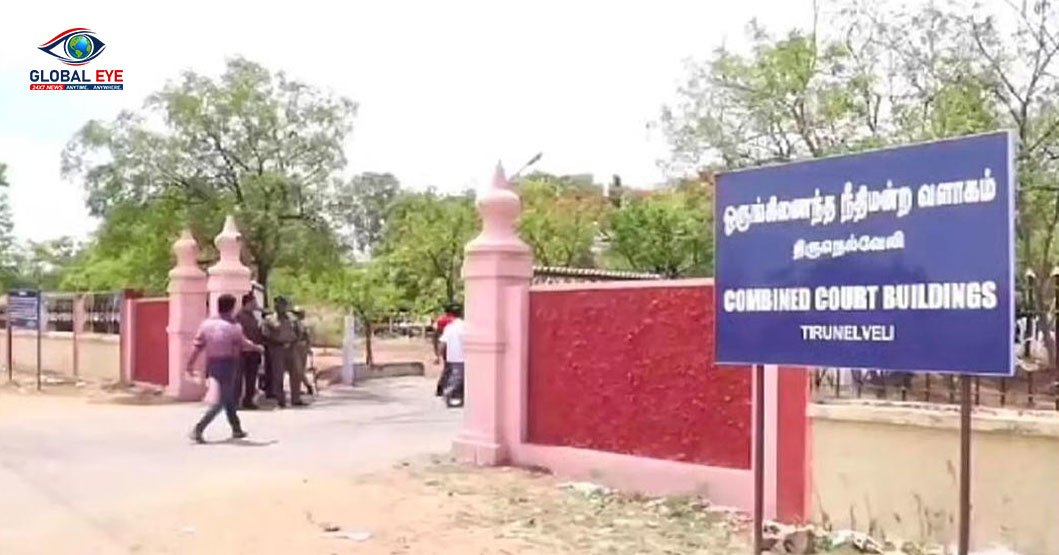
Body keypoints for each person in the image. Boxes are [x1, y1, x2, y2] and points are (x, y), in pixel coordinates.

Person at [186, 294, 264, 443]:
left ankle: (236, 428)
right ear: (232, 307)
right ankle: (199, 429)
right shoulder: (233, 327)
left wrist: (190, 364)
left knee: (228, 398)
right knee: (223, 399)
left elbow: (197, 346)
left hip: (212, 363)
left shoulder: (206, 325)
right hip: (228, 363)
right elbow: (243, 343)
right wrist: (257, 348)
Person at [262, 296, 303, 407]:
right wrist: (277, 343)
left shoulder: (293, 318)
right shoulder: (269, 319)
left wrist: (294, 342)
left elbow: (299, 331)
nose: (280, 307)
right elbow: (266, 334)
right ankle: (280, 399)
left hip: (292, 348)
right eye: (277, 304)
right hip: (277, 349)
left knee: (296, 373)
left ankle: (296, 398)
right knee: (278, 375)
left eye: (282, 304)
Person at [235, 293, 265, 410]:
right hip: (242, 352)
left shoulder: (253, 316)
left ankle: (248, 400)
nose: (255, 305)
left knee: (251, 378)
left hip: (254, 352)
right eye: (253, 303)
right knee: (238, 378)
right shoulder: (239, 316)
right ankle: (235, 401)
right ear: (247, 303)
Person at [437, 304, 465, 407]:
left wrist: (439, 355)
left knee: (454, 376)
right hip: (463, 356)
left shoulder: (450, 327)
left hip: (451, 356)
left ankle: (453, 395)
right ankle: (449, 393)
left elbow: (442, 342)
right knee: (458, 378)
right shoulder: (465, 326)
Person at [433, 303, 459, 396]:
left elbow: (437, 335)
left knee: (448, 367)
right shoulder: (455, 321)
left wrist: (436, 351)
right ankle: (443, 387)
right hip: (452, 346)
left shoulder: (441, 320)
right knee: (450, 368)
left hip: (445, 345)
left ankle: (442, 387)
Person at [291, 307, 315, 396]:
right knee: (296, 369)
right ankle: (301, 387)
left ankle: (307, 386)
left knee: (299, 369)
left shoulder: (303, 324)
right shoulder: (293, 323)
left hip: (301, 347)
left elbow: (307, 337)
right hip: (295, 347)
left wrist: (308, 348)